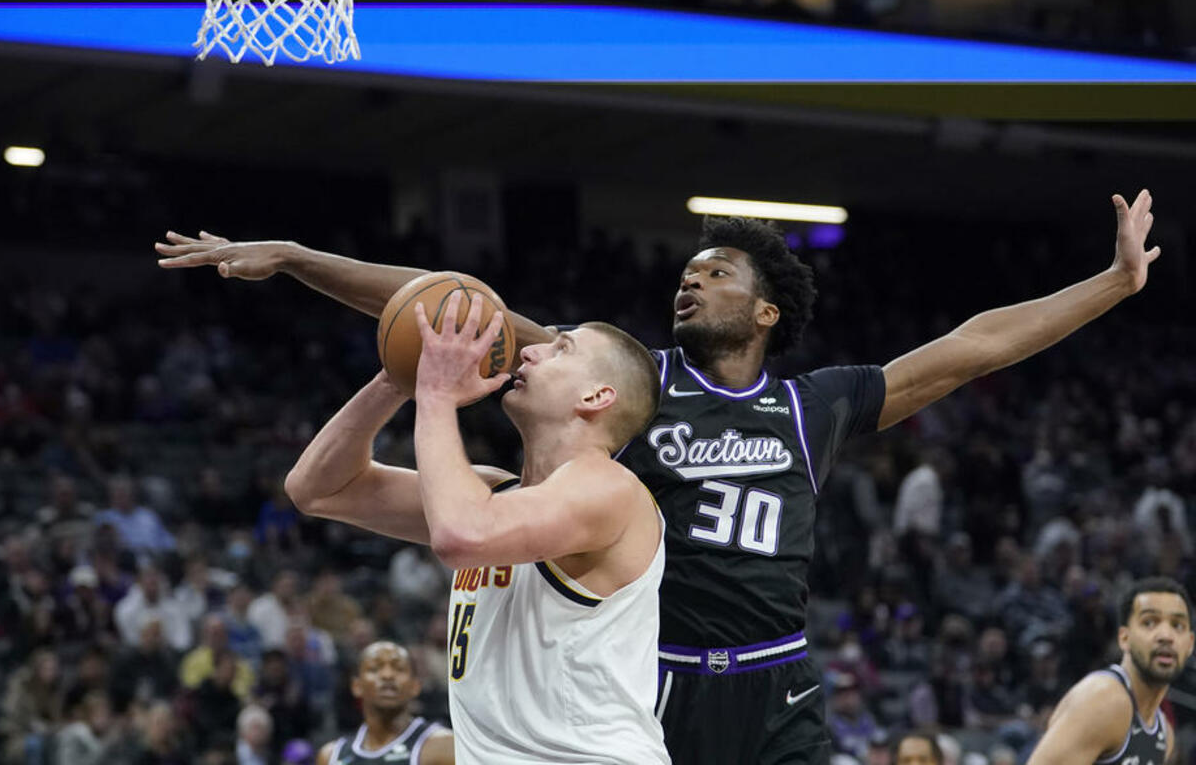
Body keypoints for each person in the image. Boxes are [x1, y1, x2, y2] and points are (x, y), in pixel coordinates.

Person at [158, 188, 1161, 763]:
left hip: (775, 679)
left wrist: (1113, 284)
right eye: (687, 269)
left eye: (718, 271)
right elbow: (451, 312)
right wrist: (298, 259)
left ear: (767, 310)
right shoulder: (623, 384)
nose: (693, 277)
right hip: (654, 684)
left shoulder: (811, 405)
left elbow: (972, 347)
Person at [284, 294, 668, 763]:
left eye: (561, 349)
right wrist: (397, 378)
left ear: (596, 396)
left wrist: (436, 396)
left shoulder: (609, 488)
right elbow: (318, 489)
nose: (530, 350)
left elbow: (460, 536)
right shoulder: (492, 496)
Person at [1026, 576, 1193, 765]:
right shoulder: (1103, 699)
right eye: (1149, 622)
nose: (1166, 636)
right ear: (1124, 638)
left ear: (1190, 644)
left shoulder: (1165, 735)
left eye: (1177, 625)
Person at [317, 641, 452, 765]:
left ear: (415, 686)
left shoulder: (443, 745)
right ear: (356, 686)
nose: (387, 675)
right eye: (374, 668)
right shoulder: (331, 756)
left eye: (399, 668)